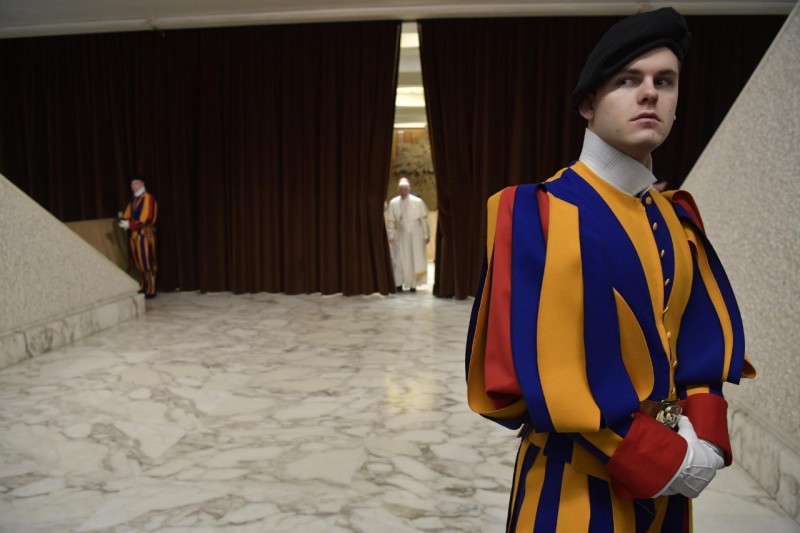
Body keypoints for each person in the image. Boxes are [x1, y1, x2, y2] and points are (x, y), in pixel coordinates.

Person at [465, 8, 755, 531]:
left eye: (664, 81)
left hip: (673, 489)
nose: (649, 94)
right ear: (588, 104)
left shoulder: (678, 217)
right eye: (627, 80)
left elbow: (697, 342)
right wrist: (660, 459)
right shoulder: (537, 213)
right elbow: (539, 376)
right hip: (573, 490)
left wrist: (706, 437)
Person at [386, 177, 430, 292]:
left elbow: (424, 220)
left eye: (405, 189)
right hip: (400, 235)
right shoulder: (393, 203)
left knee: (413, 260)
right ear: (398, 190)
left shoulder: (418, 202)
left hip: (415, 235)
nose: (403, 192)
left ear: (409, 189)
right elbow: (391, 221)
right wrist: (390, 235)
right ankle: (399, 283)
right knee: (399, 260)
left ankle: (413, 285)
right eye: (401, 190)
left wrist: (427, 235)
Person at [118, 176, 158, 299]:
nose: (133, 186)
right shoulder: (133, 200)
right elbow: (126, 214)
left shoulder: (148, 198)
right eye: (132, 184)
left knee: (147, 261)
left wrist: (130, 224)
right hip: (134, 235)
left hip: (145, 235)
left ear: (142, 184)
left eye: (136, 183)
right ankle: (144, 285)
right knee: (138, 262)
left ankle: (151, 287)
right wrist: (123, 220)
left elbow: (146, 218)